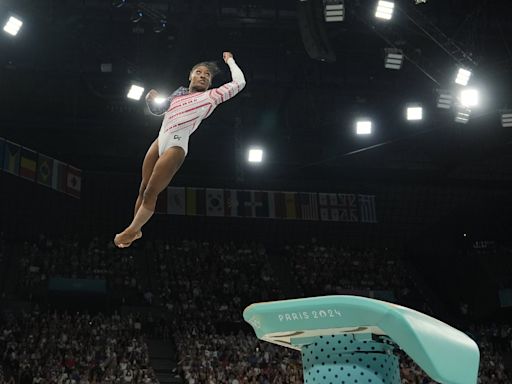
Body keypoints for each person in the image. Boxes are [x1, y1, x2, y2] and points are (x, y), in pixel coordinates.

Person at [114, 52, 246, 247]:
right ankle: (136, 230)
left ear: (210, 83)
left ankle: (132, 230)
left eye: (207, 75)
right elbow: (158, 110)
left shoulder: (211, 97)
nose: (203, 76)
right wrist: (151, 100)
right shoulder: (177, 94)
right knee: (142, 188)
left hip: (176, 144)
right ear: (190, 76)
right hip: (160, 140)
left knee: (151, 191)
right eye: (199, 72)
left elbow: (239, 83)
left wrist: (230, 61)